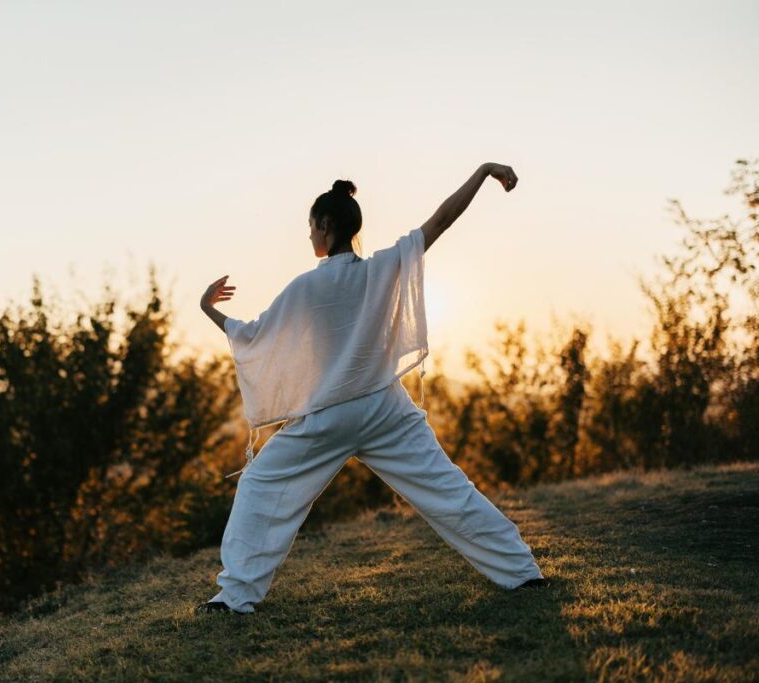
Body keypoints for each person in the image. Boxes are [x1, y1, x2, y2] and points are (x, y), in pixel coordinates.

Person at [196, 164, 547, 615]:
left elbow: (252, 335)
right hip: (385, 409)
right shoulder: (382, 267)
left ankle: (235, 596)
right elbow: (440, 221)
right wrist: (482, 174)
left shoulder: (306, 286)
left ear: (326, 226)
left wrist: (208, 309)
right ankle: (523, 573)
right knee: (447, 490)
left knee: (260, 486)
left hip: (328, 415)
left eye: (310, 227)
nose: (308, 236)